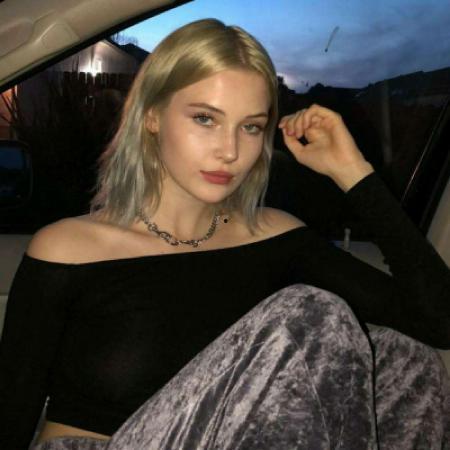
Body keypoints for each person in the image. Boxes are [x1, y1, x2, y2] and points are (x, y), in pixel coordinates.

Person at [0, 18, 449, 450]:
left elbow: (438, 323)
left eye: (250, 127)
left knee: (407, 359)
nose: (230, 151)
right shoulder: (70, 248)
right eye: (205, 119)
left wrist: (353, 172)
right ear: (152, 116)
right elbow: (10, 420)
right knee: (314, 314)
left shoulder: (277, 237)